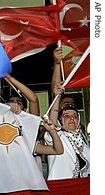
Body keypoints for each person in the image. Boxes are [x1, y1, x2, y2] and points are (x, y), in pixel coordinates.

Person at [44, 46, 90, 179]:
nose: (71, 118)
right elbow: (55, 95)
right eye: (66, 115)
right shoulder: (55, 133)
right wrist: (57, 64)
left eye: (75, 115)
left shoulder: (81, 136)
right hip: (62, 189)